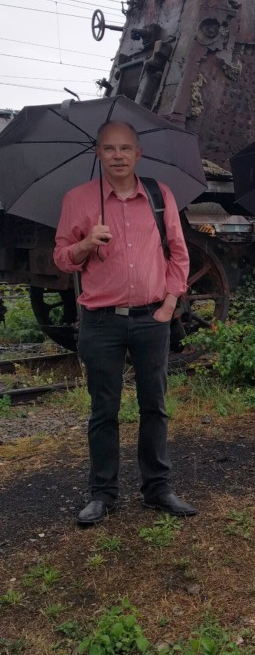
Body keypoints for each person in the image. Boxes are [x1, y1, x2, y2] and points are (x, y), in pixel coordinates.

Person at [54, 121, 197, 526]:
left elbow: (179, 253)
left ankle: (158, 488)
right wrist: (84, 244)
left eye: (125, 149)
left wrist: (169, 306)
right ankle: (102, 494)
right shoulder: (78, 200)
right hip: (100, 322)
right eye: (110, 149)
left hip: (152, 318)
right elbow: (62, 257)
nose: (118, 155)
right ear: (98, 153)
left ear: (138, 154)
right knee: (104, 410)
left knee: (155, 406)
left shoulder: (158, 195)